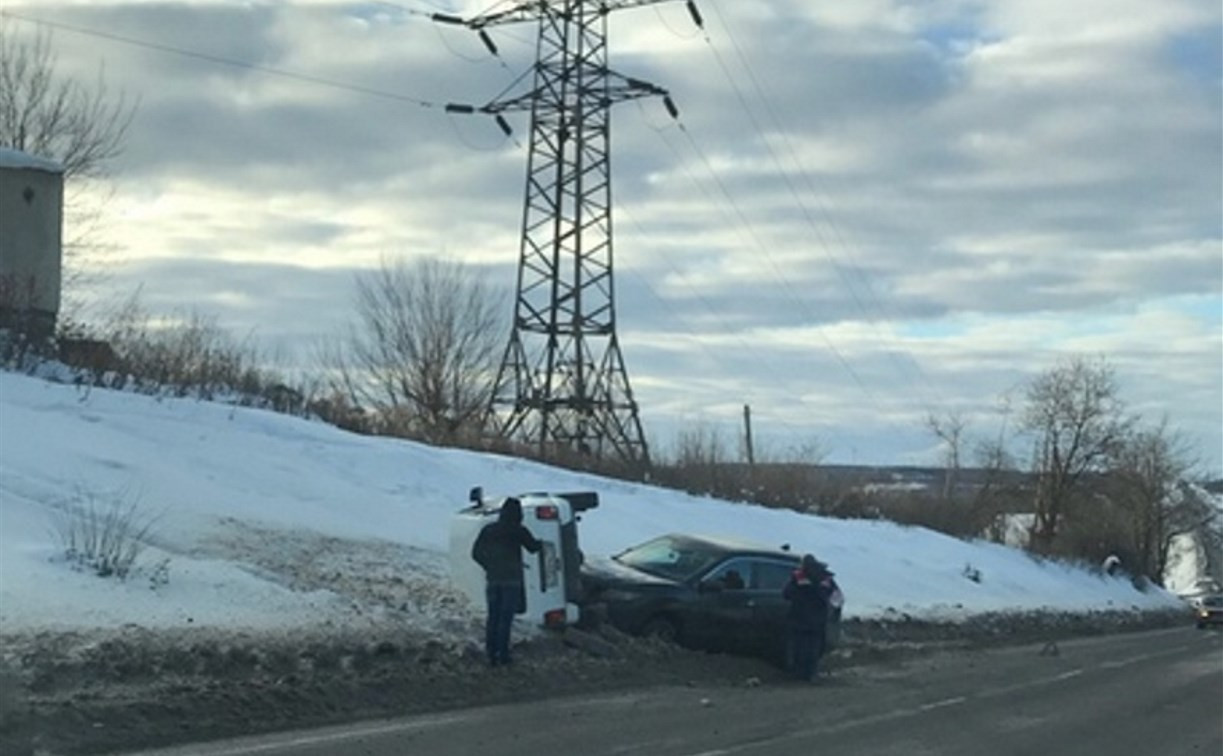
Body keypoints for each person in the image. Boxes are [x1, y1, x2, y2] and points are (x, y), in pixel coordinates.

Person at [471, 497, 541, 667]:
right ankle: (503, 654)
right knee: (505, 618)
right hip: (511, 580)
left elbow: (476, 553)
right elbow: (533, 548)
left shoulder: (489, 530)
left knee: (493, 617)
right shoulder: (518, 530)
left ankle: (490, 654)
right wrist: (542, 543)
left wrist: (489, 566)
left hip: (493, 579)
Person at [782, 554, 833, 683]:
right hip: (818, 621)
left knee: (799, 648)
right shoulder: (825, 577)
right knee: (813, 649)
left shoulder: (799, 577)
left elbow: (786, 594)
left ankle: (798, 675)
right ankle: (811, 675)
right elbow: (834, 596)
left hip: (799, 619)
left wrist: (800, 597)